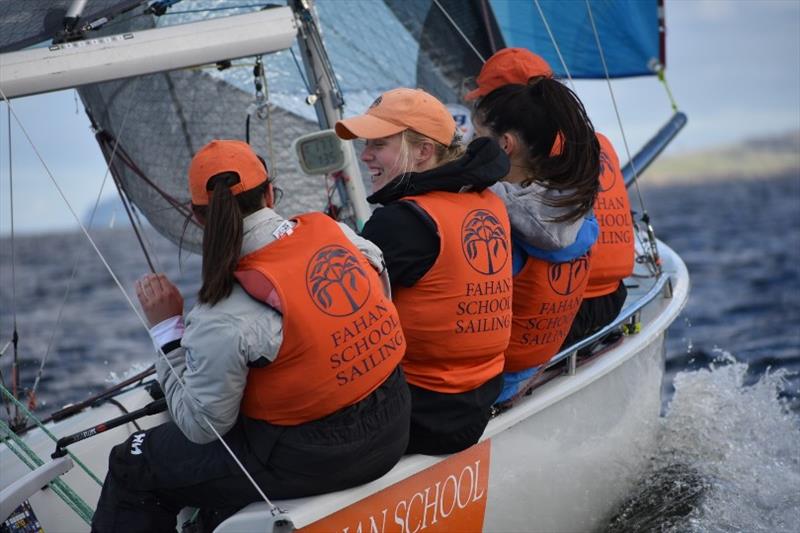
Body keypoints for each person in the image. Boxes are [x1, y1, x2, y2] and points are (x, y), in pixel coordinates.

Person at [91, 140, 410, 532]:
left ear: (197, 217)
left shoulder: (218, 313)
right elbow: (377, 277)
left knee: (131, 463)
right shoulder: (337, 233)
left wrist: (166, 329)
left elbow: (203, 426)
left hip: (319, 457)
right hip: (393, 423)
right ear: (271, 193)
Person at [335, 88, 512, 455]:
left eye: (379, 145)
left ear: (423, 151)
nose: (364, 156)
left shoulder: (402, 222)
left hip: (423, 414)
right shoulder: (487, 201)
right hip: (475, 400)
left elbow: (334, 320)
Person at [466, 47, 634, 356]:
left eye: (488, 98)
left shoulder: (530, 160)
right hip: (610, 297)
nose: (481, 104)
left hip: (568, 310)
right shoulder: (582, 148)